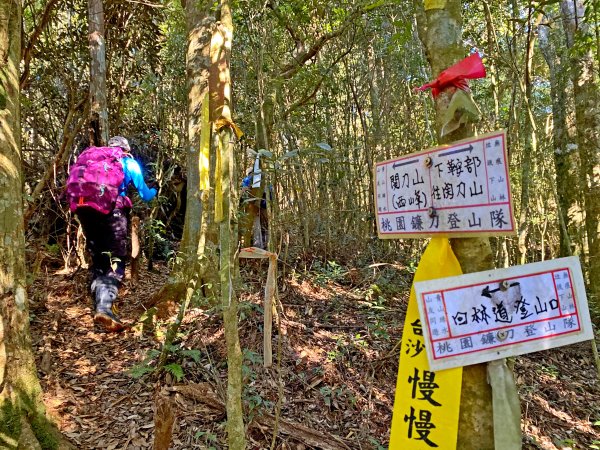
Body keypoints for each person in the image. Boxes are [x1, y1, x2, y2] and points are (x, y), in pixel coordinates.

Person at [66, 136, 157, 331]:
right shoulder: (127, 162)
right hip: (113, 212)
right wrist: (155, 190)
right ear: (126, 149)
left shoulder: (93, 161)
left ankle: (100, 306)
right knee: (116, 260)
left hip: (85, 212)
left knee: (98, 258)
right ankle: (104, 308)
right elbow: (145, 194)